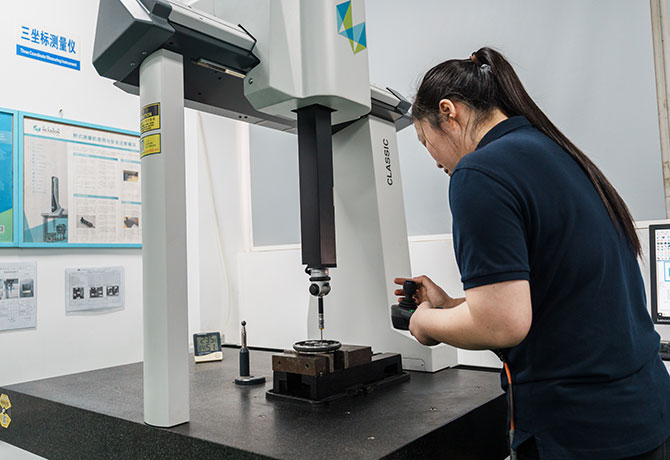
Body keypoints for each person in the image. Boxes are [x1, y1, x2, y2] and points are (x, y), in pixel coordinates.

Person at [394, 47, 670, 460]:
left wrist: (425, 322)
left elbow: (503, 324)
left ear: (449, 113)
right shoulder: (555, 152)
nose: (432, 159)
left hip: (579, 433)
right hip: (647, 415)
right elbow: (556, 294)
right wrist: (452, 306)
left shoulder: (478, 172)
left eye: (424, 140)